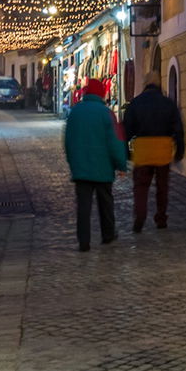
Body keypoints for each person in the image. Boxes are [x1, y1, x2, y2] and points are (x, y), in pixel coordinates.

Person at [63, 77, 128, 251]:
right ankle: (108, 234)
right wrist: (121, 164)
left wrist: (72, 161)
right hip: (103, 168)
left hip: (81, 169)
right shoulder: (106, 113)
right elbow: (115, 142)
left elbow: (68, 141)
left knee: (83, 207)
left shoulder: (75, 112)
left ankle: (84, 241)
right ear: (101, 93)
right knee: (105, 203)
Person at [122, 71, 186, 232]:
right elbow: (178, 129)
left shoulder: (135, 103)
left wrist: (126, 152)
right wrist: (179, 151)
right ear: (159, 84)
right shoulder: (168, 103)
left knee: (141, 187)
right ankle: (161, 218)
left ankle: (140, 216)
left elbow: (126, 130)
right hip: (163, 149)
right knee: (162, 187)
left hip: (143, 149)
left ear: (145, 84)